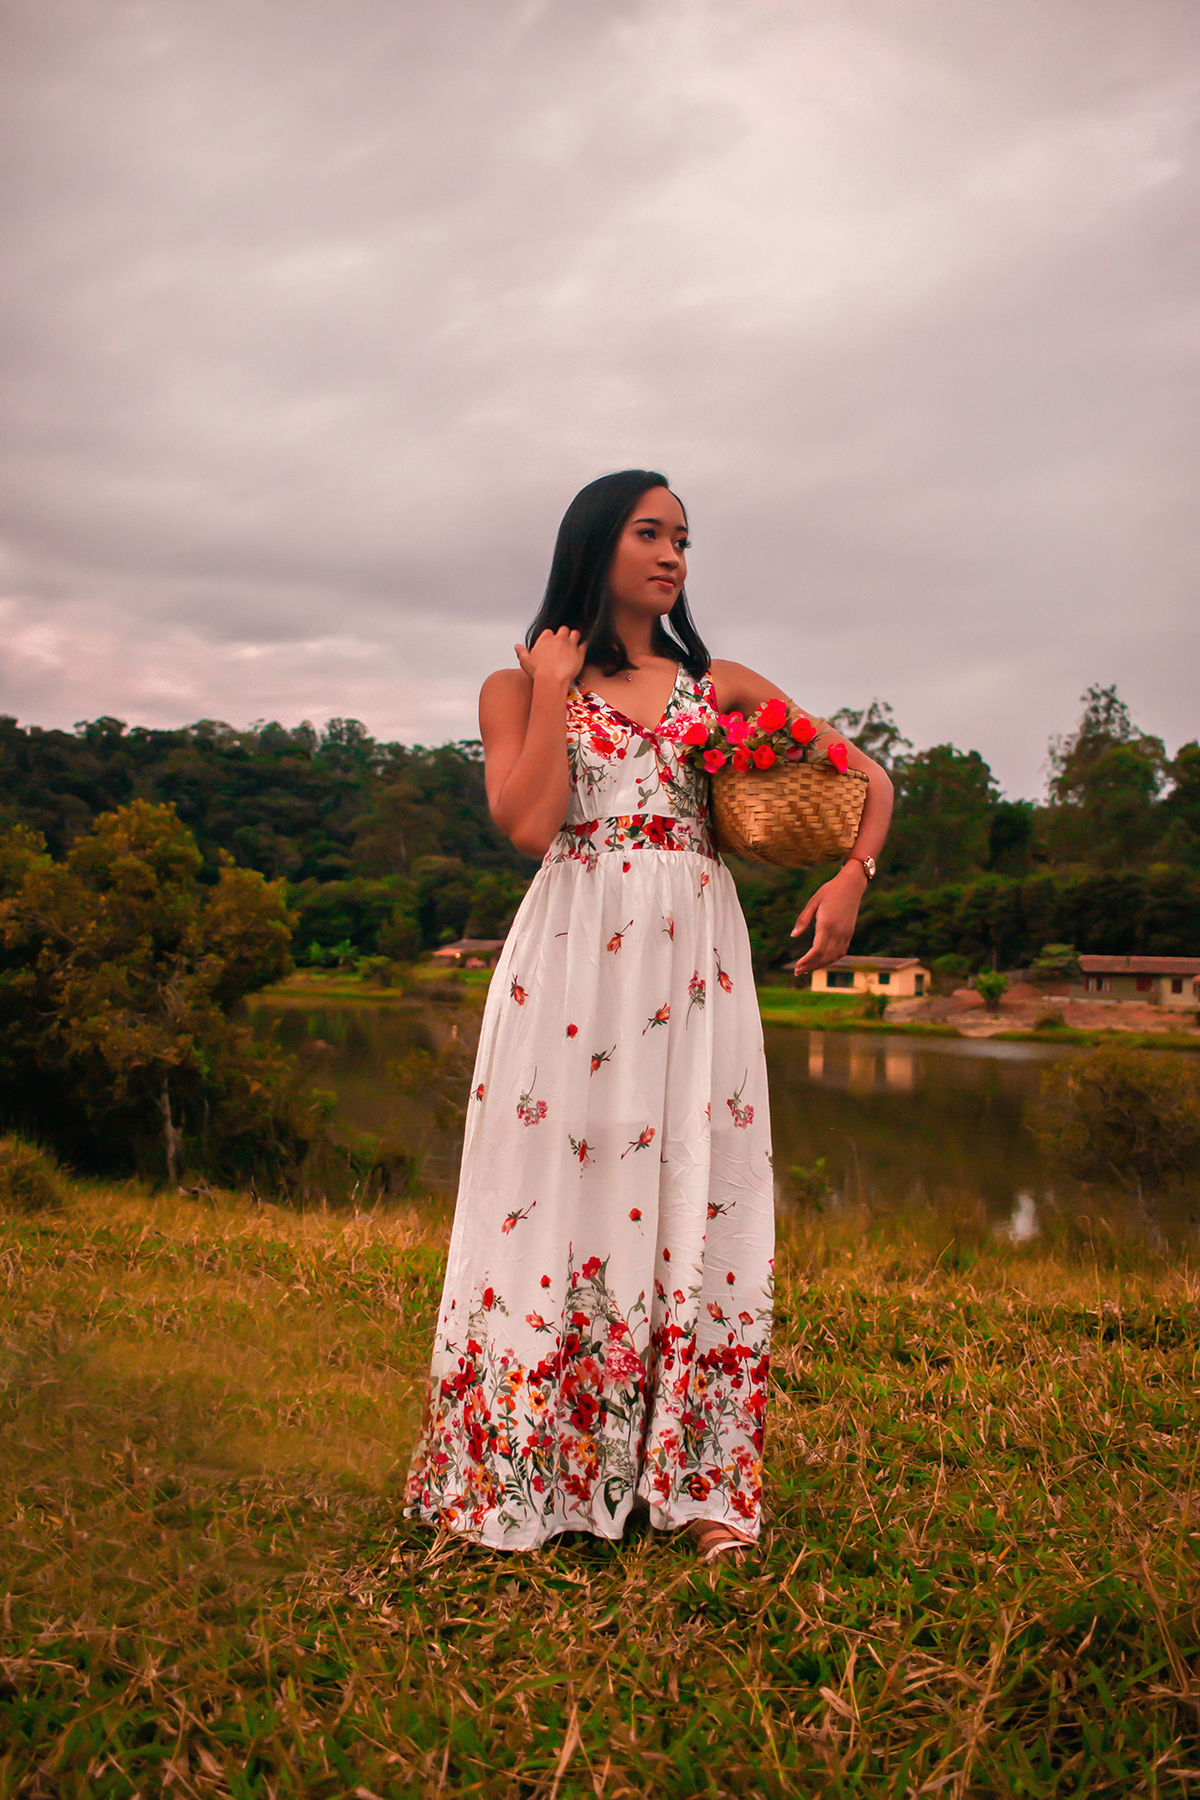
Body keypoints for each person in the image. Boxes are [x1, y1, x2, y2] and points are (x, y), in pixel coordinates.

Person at [404, 469, 893, 1559]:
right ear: (597, 545)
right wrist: (545, 686)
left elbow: (866, 776)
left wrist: (852, 874)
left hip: (695, 963)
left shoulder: (715, 683)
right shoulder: (515, 683)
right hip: (574, 955)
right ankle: (543, 1475)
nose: (674, 554)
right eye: (650, 533)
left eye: (684, 538)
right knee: (552, 1192)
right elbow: (532, 827)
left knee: (696, 1183)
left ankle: (704, 1489)